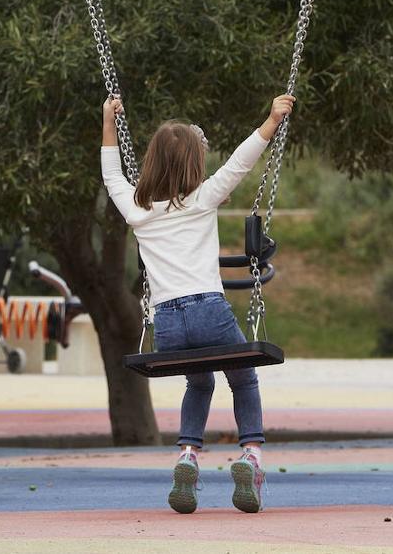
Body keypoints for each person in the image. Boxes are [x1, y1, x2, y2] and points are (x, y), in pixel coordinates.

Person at [101, 93, 295, 514]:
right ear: (194, 165)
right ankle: (251, 457)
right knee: (243, 378)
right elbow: (241, 162)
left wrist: (107, 121)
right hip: (209, 310)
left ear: (151, 162)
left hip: (167, 325)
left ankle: (188, 454)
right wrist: (271, 120)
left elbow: (110, 172)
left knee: (199, 380)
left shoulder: (137, 211)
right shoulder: (203, 198)